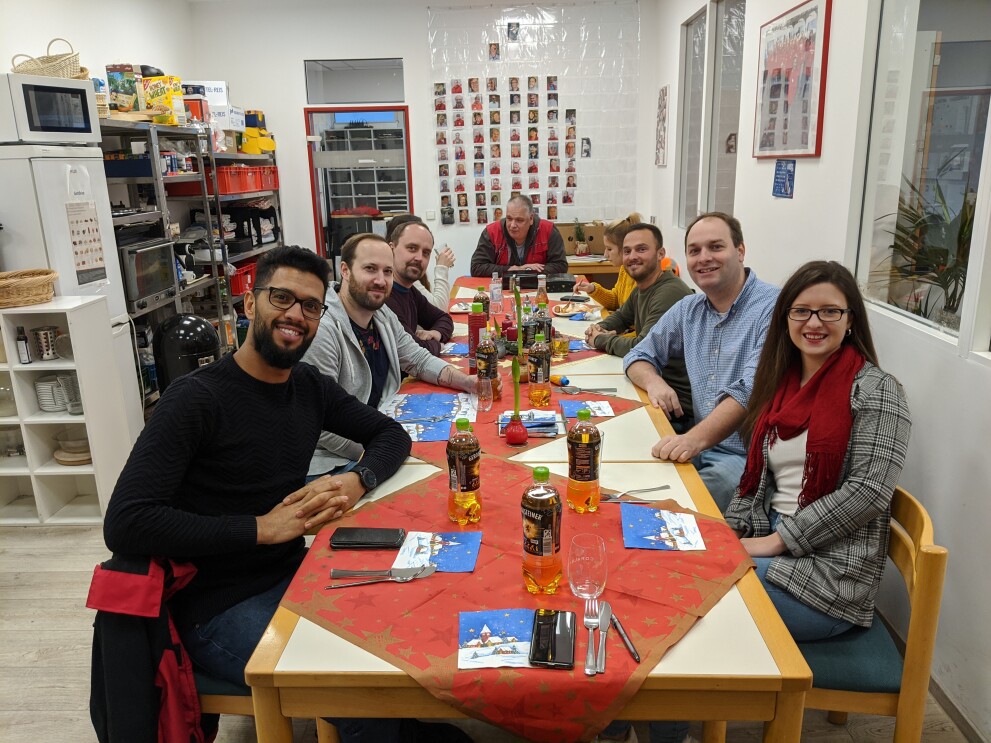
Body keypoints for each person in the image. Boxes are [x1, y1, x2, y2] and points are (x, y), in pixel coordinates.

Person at [102, 246, 414, 736]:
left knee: (401, 646)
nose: (296, 315)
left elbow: (393, 436)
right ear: (250, 305)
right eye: (281, 298)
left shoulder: (306, 385)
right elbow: (126, 522)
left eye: (311, 306)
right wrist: (259, 529)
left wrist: (357, 480)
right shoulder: (196, 400)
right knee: (364, 697)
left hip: (293, 577)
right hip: (216, 606)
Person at [725, 261, 911, 641]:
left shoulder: (878, 390)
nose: (814, 323)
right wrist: (731, 534)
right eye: (802, 311)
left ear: (850, 320)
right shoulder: (781, 382)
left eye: (830, 311)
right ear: (786, 318)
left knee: (698, 589)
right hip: (770, 535)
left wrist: (776, 542)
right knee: (681, 559)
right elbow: (758, 480)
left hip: (829, 576)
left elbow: (869, 493)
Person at [625, 212, 779, 511]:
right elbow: (638, 355)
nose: (704, 258)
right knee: (628, 479)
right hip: (697, 444)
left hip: (747, 459)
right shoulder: (689, 309)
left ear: (741, 251)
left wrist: (692, 440)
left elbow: (751, 390)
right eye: (694, 251)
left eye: (716, 247)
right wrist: (655, 382)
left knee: (665, 510)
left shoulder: (773, 307)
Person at [305, 233, 483, 477]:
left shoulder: (381, 315)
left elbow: (418, 359)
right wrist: (386, 451)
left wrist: (468, 382)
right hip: (333, 462)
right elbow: (321, 426)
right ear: (345, 271)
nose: (381, 280)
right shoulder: (322, 330)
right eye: (370, 269)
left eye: (387, 272)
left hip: (380, 434)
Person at [584, 223, 694, 422]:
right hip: (647, 387)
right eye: (627, 251)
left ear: (660, 254)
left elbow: (641, 347)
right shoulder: (643, 287)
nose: (632, 256)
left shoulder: (668, 293)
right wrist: (601, 327)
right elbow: (622, 317)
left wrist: (600, 339)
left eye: (641, 249)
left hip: (673, 407)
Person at [385, 221, 454, 356]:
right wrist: (437, 345)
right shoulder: (384, 295)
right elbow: (414, 351)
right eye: (412, 248)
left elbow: (444, 318)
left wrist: (436, 333)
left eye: (426, 253)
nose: (419, 258)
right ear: (391, 249)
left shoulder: (409, 290)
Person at [470, 194, 568, 276]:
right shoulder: (492, 232)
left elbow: (561, 266)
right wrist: (514, 269)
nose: (512, 225)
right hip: (502, 289)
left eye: (519, 220)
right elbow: (476, 267)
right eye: (509, 218)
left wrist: (527, 271)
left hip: (538, 288)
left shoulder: (548, 230)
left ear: (531, 219)